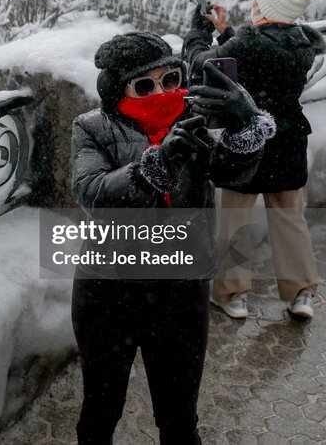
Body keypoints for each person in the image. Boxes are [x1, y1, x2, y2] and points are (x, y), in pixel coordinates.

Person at [71, 31, 276, 444]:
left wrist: (245, 125)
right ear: (117, 90)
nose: (161, 92)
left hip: (180, 294)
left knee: (180, 417)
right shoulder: (92, 128)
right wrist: (154, 165)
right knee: (100, 411)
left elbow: (232, 173)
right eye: (144, 86)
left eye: (169, 80)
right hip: (109, 292)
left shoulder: (191, 120)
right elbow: (91, 191)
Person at [181, 0, 326, 321]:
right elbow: (262, 58)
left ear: (266, 6)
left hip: (250, 141)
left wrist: (198, 32)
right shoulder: (302, 43)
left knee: (235, 218)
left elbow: (203, 64)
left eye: (257, 0)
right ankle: (301, 293)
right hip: (290, 138)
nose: (251, 3)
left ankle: (233, 297)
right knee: (290, 216)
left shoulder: (249, 45)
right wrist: (226, 33)